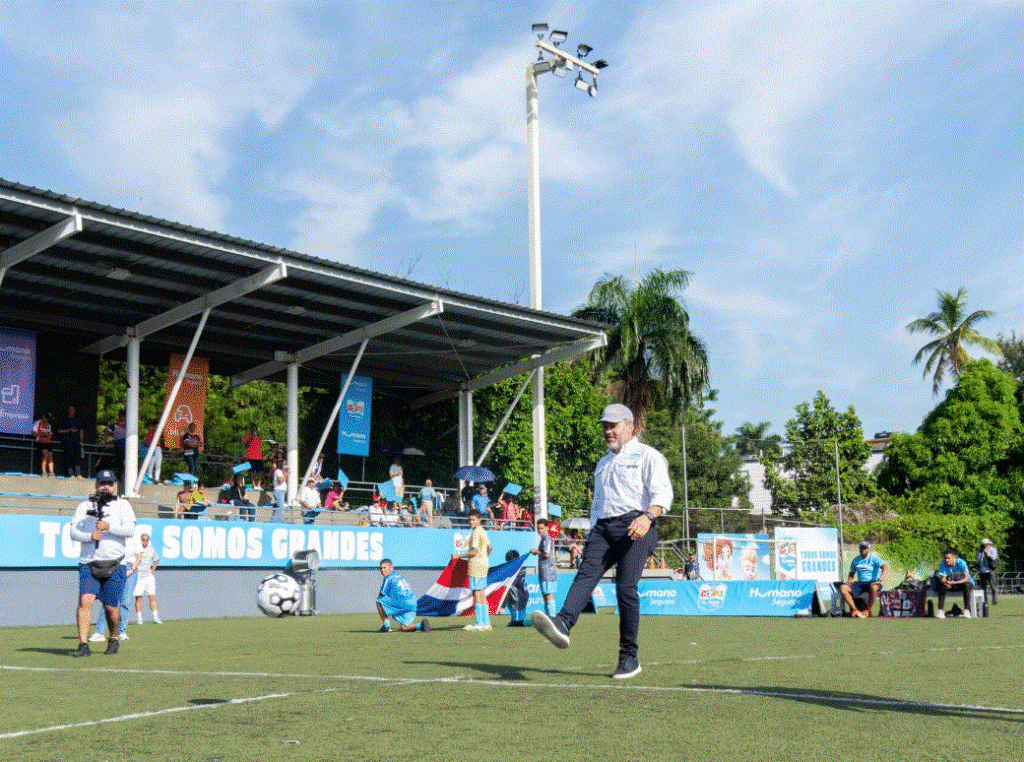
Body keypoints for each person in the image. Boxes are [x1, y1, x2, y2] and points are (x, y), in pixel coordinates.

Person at [532, 403, 672, 680]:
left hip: (635, 525)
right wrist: (593, 532)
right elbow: (598, 503)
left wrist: (647, 518)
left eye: (613, 425)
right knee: (585, 574)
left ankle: (629, 658)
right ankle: (563, 624)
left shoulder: (649, 456)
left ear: (630, 427)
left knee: (625, 588)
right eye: (605, 426)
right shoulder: (602, 463)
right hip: (603, 528)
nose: (608, 431)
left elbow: (662, 494)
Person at [68, 469, 136, 656]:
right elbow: (73, 532)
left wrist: (108, 527)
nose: (106, 487)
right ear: (96, 485)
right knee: (85, 601)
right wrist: (90, 536)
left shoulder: (123, 505)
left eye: (109, 483)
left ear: (114, 486)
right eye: (102, 483)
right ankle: (83, 645)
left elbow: (130, 530)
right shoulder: (84, 506)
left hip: (115, 563)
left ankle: (113, 637)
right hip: (89, 562)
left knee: (110, 607)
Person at [89, 533, 140, 643]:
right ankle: (99, 632)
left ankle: (121, 632)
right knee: (109, 601)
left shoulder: (134, 537)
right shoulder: (114, 535)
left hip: (130, 568)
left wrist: (131, 570)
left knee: (125, 602)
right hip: (115, 567)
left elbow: (138, 557)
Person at [452, 508, 492, 631]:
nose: (471, 522)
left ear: (479, 520)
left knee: (477, 593)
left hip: (476, 566)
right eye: (469, 520)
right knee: (481, 593)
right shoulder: (483, 531)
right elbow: (489, 547)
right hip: (483, 565)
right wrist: (484, 556)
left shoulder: (475, 533)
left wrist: (458, 556)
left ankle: (480, 623)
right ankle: (486, 623)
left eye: (473, 520)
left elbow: (474, 552)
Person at [375, 559, 430, 632]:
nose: (382, 570)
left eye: (385, 568)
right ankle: (421, 625)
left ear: (391, 568)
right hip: (412, 603)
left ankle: (386, 626)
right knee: (404, 627)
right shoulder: (399, 576)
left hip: (401, 602)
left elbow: (382, 594)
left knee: (378, 601)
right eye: (381, 568)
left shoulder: (388, 578)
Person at [839, 540, 889, 617]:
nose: (863, 550)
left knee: (874, 587)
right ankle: (855, 610)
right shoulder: (855, 560)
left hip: (872, 582)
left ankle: (866, 611)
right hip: (860, 584)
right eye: (861, 548)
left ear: (869, 549)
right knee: (843, 587)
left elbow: (885, 567)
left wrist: (880, 580)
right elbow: (852, 572)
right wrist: (849, 581)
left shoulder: (874, 558)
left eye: (865, 548)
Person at [934, 548, 975, 618]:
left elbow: (966, 579)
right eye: (945, 558)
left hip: (964, 583)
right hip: (952, 584)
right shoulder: (943, 564)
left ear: (954, 557)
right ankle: (940, 611)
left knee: (966, 585)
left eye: (948, 558)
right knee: (941, 586)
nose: (946, 560)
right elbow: (943, 579)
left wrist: (954, 583)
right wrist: (945, 583)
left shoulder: (961, 562)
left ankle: (967, 610)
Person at [133, 533, 162, 624]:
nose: (145, 542)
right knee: (138, 598)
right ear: (140, 540)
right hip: (138, 577)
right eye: (143, 540)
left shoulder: (151, 549)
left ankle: (155, 618)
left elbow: (156, 559)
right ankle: (139, 618)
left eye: (146, 540)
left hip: (148, 577)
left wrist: (153, 570)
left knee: (152, 596)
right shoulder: (136, 549)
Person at [531, 517, 557, 617]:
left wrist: (536, 552)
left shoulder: (546, 539)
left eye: (541, 528)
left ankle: (552, 617)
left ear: (547, 528)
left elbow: (547, 555)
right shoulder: (543, 539)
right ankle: (549, 616)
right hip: (544, 571)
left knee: (548, 594)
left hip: (548, 571)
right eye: (538, 528)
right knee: (545, 595)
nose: (539, 531)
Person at [57, 404, 84, 479]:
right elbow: (59, 431)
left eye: (73, 410)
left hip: (76, 442)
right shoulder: (64, 420)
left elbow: (81, 431)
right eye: (70, 410)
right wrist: (68, 430)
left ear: (74, 411)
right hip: (67, 441)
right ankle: (71, 474)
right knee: (69, 457)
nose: (71, 411)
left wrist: (81, 441)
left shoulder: (78, 420)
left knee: (77, 458)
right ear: (68, 411)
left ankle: (78, 474)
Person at [504, 550, 529, 626]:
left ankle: (521, 622)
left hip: (517, 594)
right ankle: (515, 620)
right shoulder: (520, 568)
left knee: (517, 609)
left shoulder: (515, 570)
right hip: (521, 593)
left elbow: (513, 582)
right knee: (515, 608)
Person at [976, 538, 999, 606]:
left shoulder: (993, 550)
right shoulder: (980, 551)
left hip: (990, 570)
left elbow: (994, 557)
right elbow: (977, 557)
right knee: (983, 587)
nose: (985, 546)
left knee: (993, 586)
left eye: (986, 544)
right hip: (982, 570)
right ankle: (984, 601)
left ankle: (994, 600)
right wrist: (981, 551)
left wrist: (987, 552)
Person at [33, 411, 55, 478]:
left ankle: (51, 472)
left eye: (47, 418)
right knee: (45, 455)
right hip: (41, 441)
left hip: (48, 442)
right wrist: (42, 435)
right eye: (44, 417)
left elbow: (50, 434)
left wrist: (49, 435)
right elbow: (34, 433)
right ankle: (44, 472)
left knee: (50, 456)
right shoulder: (38, 423)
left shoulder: (49, 425)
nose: (45, 419)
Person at [242, 424, 264, 488]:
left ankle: (258, 484)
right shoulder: (248, 436)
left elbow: (260, 447)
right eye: (253, 428)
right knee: (252, 471)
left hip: (258, 456)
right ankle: (254, 484)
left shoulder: (258, 437)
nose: (254, 430)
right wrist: (251, 438)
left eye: (255, 429)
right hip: (251, 456)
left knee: (261, 471)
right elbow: (245, 445)